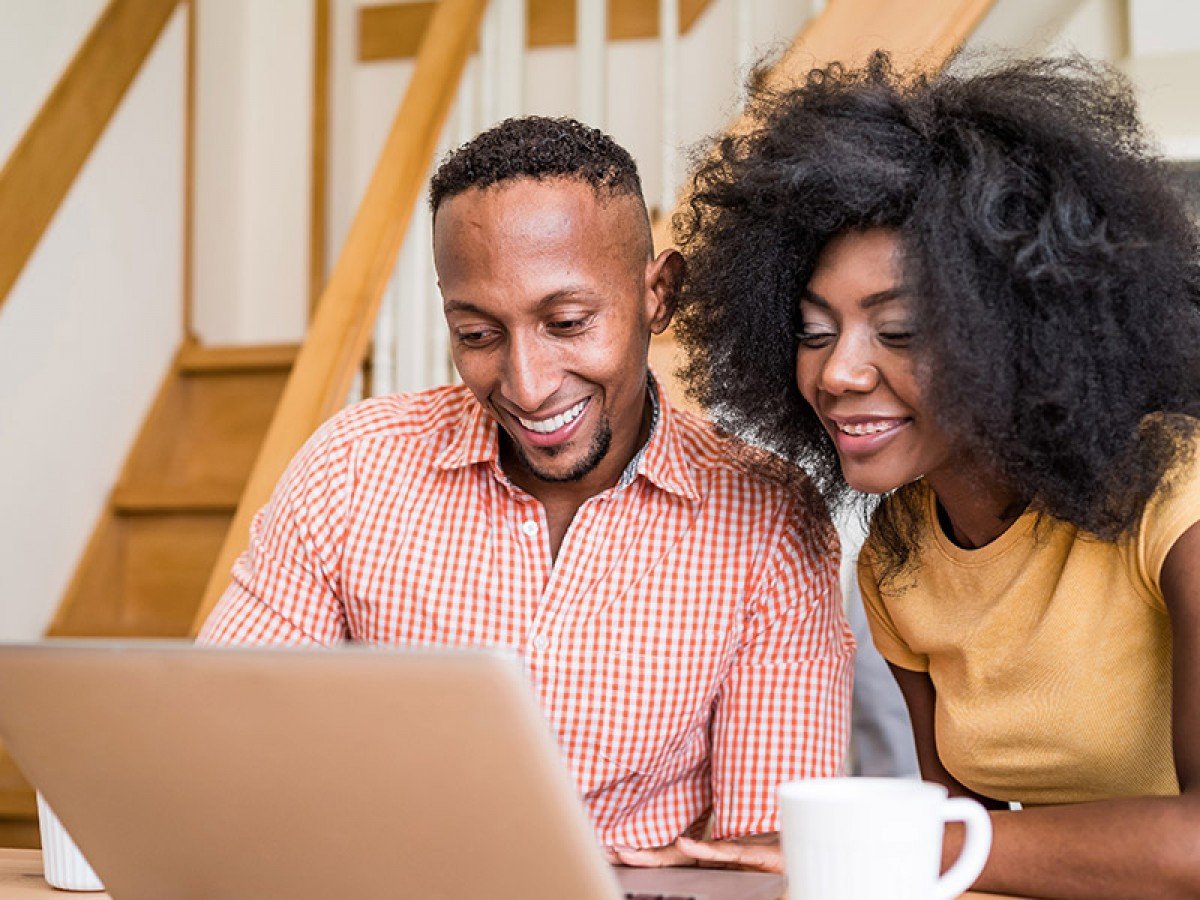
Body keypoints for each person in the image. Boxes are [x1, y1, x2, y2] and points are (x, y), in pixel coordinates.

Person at [199, 116, 853, 859]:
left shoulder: (769, 518)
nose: (528, 385)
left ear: (658, 295)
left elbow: (763, 851)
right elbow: (220, 742)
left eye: (567, 322)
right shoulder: (353, 468)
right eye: (478, 334)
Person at [667, 53, 1200, 897]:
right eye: (814, 330)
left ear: (1020, 331)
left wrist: (894, 847)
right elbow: (961, 845)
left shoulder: (1178, 499)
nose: (839, 372)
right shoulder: (899, 552)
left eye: (902, 331)